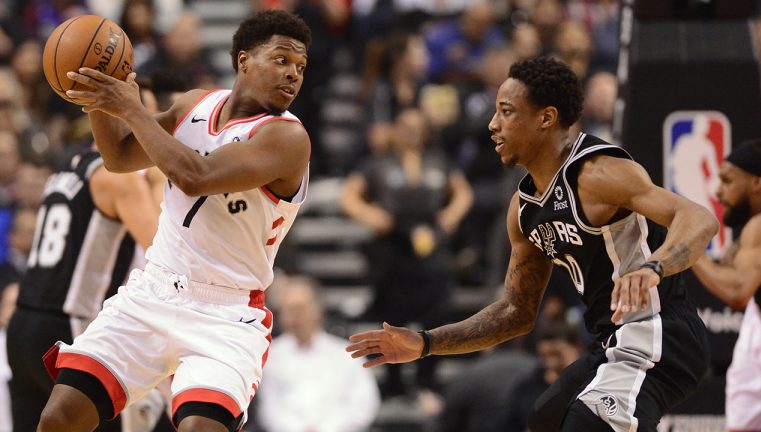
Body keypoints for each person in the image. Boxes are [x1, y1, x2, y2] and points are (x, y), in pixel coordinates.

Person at [347, 57, 719, 431]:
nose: (493, 124)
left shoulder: (599, 173)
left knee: (587, 423)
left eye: (506, 112)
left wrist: (654, 267)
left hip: (659, 333)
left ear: (546, 118)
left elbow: (699, 218)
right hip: (610, 339)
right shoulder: (523, 210)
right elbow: (516, 312)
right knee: (545, 418)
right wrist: (425, 343)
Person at [35, 10, 312, 432]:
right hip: (154, 291)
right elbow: (119, 157)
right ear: (243, 60)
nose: (293, 74)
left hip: (226, 314)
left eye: (300, 67)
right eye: (281, 60)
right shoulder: (193, 104)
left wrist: (132, 108)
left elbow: (194, 176)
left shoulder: (287, 137)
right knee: (59, 418)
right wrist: (98, 97)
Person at [6, 149, 163, 432]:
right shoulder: (119, 179)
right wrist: (157, 182)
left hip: (23, 323)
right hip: (69, 325)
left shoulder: (65, 166)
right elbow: (162, 251)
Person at [340, 107, 473, 403]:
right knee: (392, 316)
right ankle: (394, 384)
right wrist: (371, 215)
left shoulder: (439, 161)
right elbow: (348, 196)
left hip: (430, 242)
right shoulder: (378, 163)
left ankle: (427, 383)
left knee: (436, 314)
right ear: (395, 130)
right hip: (393, 245)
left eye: (418, 127)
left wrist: (450, 215)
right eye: (406, 126)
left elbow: (464, 192)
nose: (412, 132)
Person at [691, 139, 761, 431]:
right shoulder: (755, 228)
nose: (718, 191)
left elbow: (737, 292)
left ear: (757, 182)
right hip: (760, 321)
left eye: (727, 181)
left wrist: (689, 249)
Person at [257, 275, 380, 432]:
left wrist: (327, 429)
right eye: (287, 310)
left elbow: (364, 403)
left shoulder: (347, 353)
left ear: (317, 310)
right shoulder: (270, 355)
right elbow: (269, 407)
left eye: (298, 309)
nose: (293, 317)